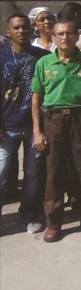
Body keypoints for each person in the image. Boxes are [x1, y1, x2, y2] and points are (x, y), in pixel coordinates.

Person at [31, 19, 81, 242]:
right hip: (53, 120)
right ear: (53, 37)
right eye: (60, 34)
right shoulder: (44, 63)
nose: (65, 37)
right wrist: (38, 131)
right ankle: (54, 222)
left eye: (69, 33)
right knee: (54, 173)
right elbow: (36, 98)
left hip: (80, 120)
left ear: (77, 36)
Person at [0, 14, 50, 233]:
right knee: (1, 173)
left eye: (25, 27)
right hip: (6, 126)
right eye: (16, 28)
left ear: (32, 30)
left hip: (34, 127)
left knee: (34, 174)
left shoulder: (43, 57)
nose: (21, 31)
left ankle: (29, 214)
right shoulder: (1, 57)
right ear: (8, 31)